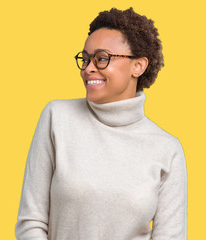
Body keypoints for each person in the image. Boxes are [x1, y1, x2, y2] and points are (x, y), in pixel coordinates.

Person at [15, 7, 187, 240]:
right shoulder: (57, 117)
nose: (88, 68)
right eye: (85, 59)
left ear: (138, 66)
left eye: (102, 58)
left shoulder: (167, 149)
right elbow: (31, 223)